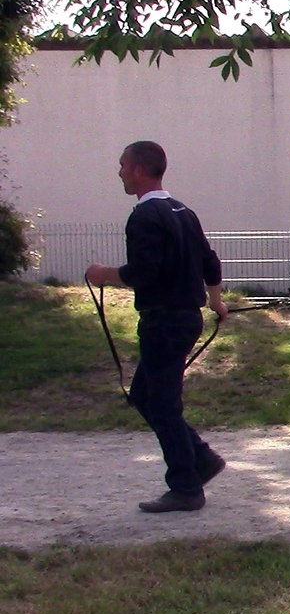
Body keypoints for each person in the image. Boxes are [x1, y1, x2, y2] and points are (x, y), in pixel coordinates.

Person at [85, 141, 229, 513]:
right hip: (187, 318)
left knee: (162, 405)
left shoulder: (144, 217)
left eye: (122, 165)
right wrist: (216, 301)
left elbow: (143, 273)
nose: (118, 172)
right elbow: (210, 263)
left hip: (163, 321)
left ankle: (185, 487)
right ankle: (200, 457)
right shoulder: (184, 211)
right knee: (145, 397)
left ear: (137, 169)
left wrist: (104, 275)